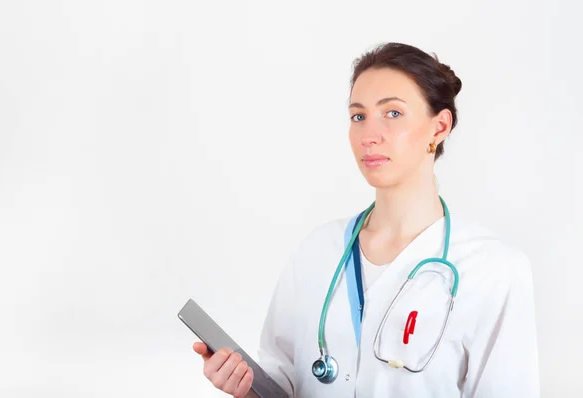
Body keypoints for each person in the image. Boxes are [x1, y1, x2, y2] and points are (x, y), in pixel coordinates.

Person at [192, 42, 540, 397]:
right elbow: (282, 382)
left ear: (439, 127)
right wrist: (245, 389)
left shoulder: (492, 270)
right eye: (358, 116)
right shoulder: (317, 252)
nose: (369, 136)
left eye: (392, 113)